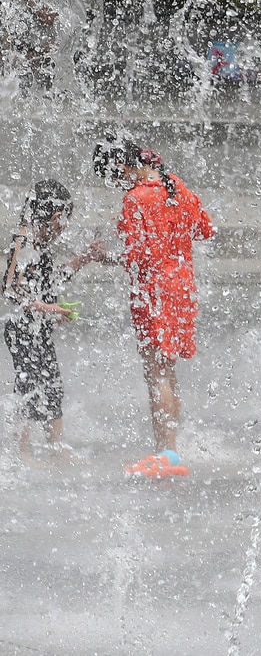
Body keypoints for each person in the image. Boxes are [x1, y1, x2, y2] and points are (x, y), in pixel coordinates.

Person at [92, 137, 215, 478]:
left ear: (124, 168)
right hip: (182, 288)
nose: (117, 186)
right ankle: (171, 447)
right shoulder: (176, 185)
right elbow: (205, 229)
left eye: (115, 179)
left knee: (156, 372)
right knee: (168, 370)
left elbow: (134, 255)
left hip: (153, 293)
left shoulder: (136, 198)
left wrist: (105, 257)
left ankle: (166, 453)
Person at [3, 181, 91, 463]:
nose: (65, 228)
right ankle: (22, 451)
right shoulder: (24, 239)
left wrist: (83, 259)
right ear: (56, 217)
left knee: (52, 384)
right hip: (20, 328)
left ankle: (56, 448)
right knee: (28, 386)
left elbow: (49, 283)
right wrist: (46, 307)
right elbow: (10, 288)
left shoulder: (40, 244)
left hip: (37, 326)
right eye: (65, 220)